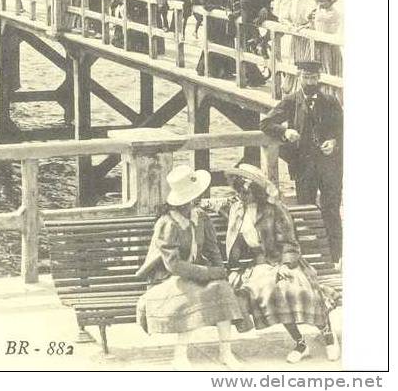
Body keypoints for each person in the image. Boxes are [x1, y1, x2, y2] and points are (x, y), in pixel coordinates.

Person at [215, 164, 339, 363]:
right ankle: (301, 343)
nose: (243, 195)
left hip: (283, 260)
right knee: (271, 294)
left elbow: (290, 243)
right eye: (240, 190)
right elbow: (224, 211)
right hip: (257, 266)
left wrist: (285, 265)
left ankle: (328, 336)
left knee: (298, 291)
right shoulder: (237, 208)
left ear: (257, 191)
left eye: (247, 191)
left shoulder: (274, 209)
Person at [135, 166, 245, 370]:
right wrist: (208, 273)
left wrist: (220, 272)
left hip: (194, 275)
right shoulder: (167, 224)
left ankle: (225, 352)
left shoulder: (201, 217)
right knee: (192, 294)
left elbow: (213, 250)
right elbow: (173, 265)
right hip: (165, 279)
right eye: (190, 198)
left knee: (222, 289)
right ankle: (179, 354)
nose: (193, 202)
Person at [259, 61, 344, 264]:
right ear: (299, 78)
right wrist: (285, 131)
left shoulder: (331, 102)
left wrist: (335, 143)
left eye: (313, 78)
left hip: (329, 167)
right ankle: (307, 258)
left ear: (319, 79)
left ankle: (336, 257)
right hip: (304, 167)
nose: (310, 82)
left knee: (331, 210)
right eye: (306, 77)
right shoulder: (291, 101)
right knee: (305, 211)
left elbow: (344, 130)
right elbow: (265, 123)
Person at [309, 0, 342, 102]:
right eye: (320, 1)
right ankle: (320, 92)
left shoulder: (333, 13)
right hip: (320, 44)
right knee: (319, 68)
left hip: (328, 45)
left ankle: (329, 95)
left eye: (323, 1)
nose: (320, 4)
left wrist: (314, 14)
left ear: (330, 2)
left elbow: (323, 22)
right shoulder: (321, 11)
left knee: (328, 68)